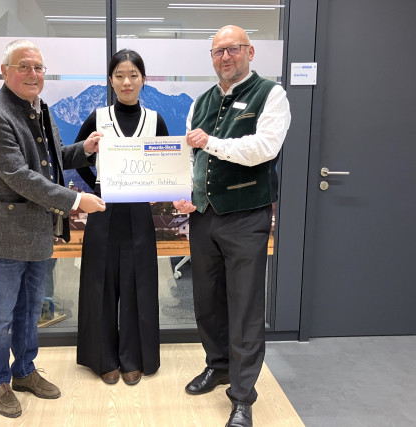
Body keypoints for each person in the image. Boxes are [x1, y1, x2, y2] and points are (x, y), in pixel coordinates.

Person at [0, 39, 106, 419]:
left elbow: (51, 161)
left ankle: (24, 371)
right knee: (0, 314)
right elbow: (20, 176)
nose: (33, 74)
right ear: (5, 72)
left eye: (38, 68)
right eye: (24, 66)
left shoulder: (39, 108)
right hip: (4, 234)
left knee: (31, 309)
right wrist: (75, 200)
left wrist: (86, 149)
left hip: (37, 230)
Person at [174, 26, 291, 427]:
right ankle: (218, 364)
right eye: (218, 51)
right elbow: (191, 157)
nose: (225, 57)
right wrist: (185, 192)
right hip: (203, 215)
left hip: (245, 215)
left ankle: (242, 396)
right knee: (207, 301)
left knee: (244, 308)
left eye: (233, 49)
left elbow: (264, 149)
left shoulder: (271, 95)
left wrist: (211, 142)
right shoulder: (201, 101)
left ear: (250, 52)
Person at [75, 49, 168, 386]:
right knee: (100, 281)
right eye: (119, 75)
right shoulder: (98, 117)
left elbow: (166, 162)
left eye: (133, 75)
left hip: (139, 209)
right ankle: (103, 358)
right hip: (104, 208)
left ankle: (134, 357)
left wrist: (159, 187)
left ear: (143, 79)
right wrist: (96, 187)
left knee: (137, 281)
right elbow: (77, 156)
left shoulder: (155, 120)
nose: (127, 81)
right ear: (111, 80)